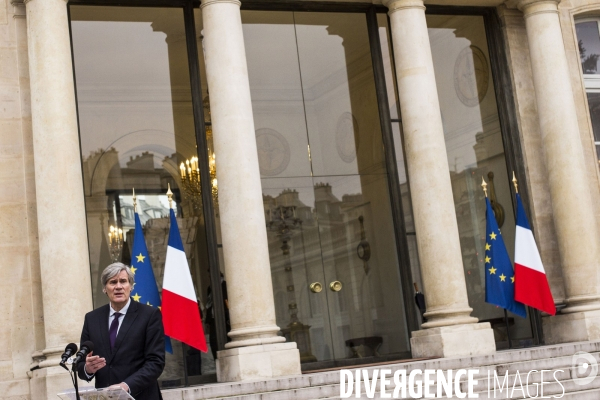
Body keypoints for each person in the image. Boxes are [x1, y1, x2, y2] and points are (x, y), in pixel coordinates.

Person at [78, 262, 165, 400]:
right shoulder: (92, 319)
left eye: (123, 281)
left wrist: (126, 386)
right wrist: (87, 369)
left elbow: (155, 362)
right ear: (105, 289)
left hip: (141, 396)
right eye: (112, 282)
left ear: (131, 287)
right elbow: (81, 363)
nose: (118, 286)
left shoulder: (149, 315)